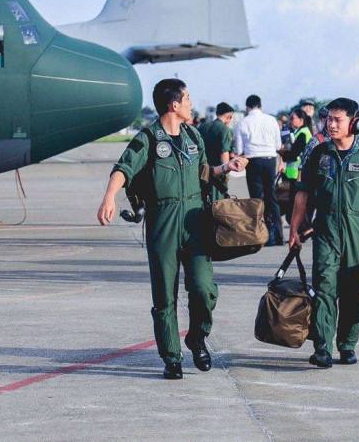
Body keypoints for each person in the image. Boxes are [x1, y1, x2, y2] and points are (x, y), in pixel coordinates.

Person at [96, 79, 247, 379]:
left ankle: (197, 337)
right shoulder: (148, 138)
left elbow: (203, 172)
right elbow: (123, 168)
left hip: (194, 220)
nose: (191, 103)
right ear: (174, 105)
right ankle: (171, 357)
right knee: (165, 295)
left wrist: (225, 168)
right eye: (187, 98)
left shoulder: (194, 136)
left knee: (204, 289)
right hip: (163, 222)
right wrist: (109, 196)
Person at [289, 97, 359, 368]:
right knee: (324, 286)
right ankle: (322, 347)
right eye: (329, 119)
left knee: (351, 289)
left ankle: (347, 344)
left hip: (356, 231)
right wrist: (294, 228)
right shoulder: (319, 154)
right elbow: (303, 194)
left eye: (338, 120)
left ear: (355, 123)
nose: (331, 124)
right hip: (325, 230)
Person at [234, 94, 284, 246]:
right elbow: (278, 145)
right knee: (271, 196)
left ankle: (259, 235)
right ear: (260, 106)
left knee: (256, 199)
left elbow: (239, 149)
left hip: (253, 160)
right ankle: (278, 235)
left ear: (247, 107)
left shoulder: (242, 122)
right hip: (270, 159)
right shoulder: (271, 120)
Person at [280, 108, 313, 224]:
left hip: (297, 174)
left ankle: (302, 228)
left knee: (294, 206)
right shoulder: (300, 132)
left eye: (293, 118)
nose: (290, 120)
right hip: (294, 174)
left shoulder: (303, 133)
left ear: (301, 119)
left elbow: (294, 154)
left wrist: (282, 154)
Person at [198, 102, 234, 202]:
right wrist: (225, 172)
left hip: (203, 170)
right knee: (218, 203)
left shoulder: (202, 127)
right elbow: (224, 153)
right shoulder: (225, 130)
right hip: (217, 173)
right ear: (228, 116)